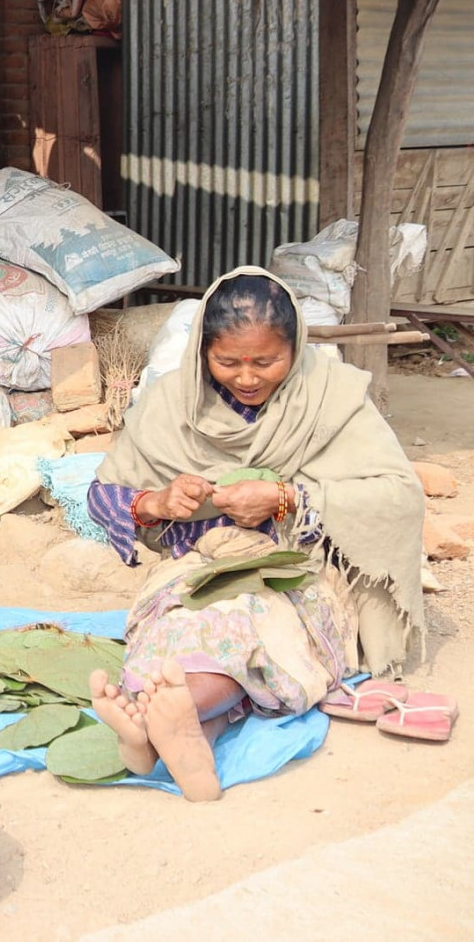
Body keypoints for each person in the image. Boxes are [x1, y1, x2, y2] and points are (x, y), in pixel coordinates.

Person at [84, 268, 424, 800]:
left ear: (296, 346)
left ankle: (163, 717)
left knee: (250, 626)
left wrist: (289, 498)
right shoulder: (171, 403)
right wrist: (155, 503)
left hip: (299, 567)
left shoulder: (331, 397)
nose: (246, 377)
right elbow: (104, 492)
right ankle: (177, 727)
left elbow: (398, 493)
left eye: (265, 361)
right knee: (179, 623)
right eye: (227, 362)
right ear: (202, 352)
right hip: (199, 562)